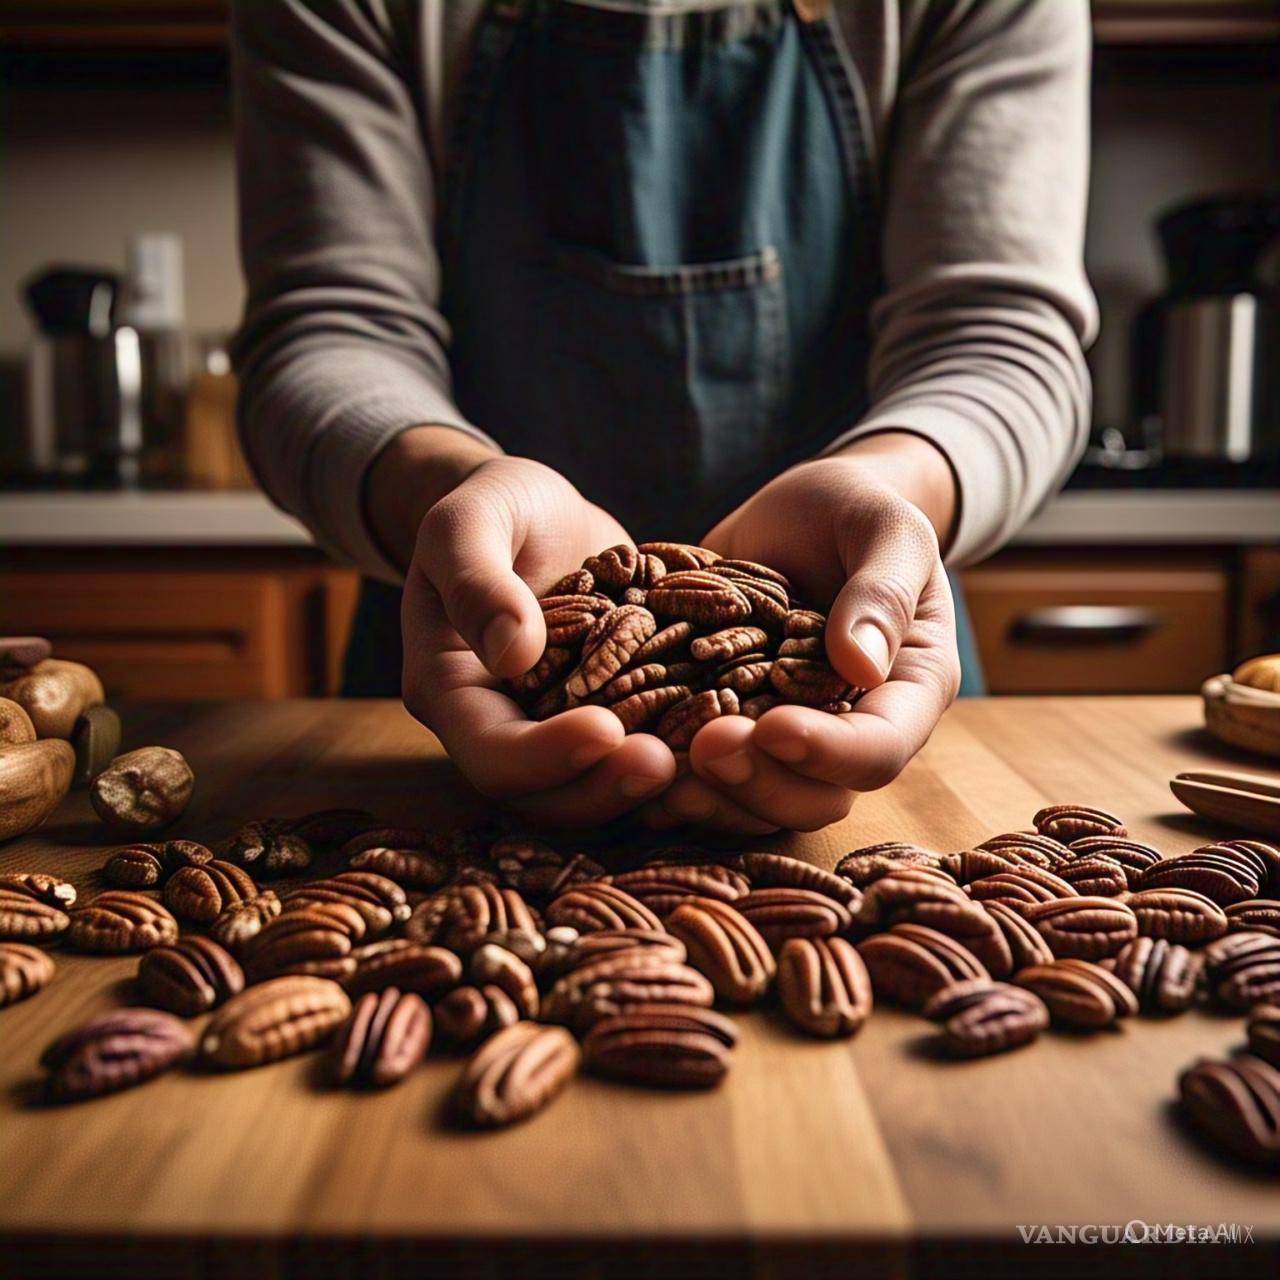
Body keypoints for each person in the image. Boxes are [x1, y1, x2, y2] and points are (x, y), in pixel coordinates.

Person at [230, 0, 1095, 833]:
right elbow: (327, 330)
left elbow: (1001, 338)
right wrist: (453, 493)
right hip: (465, 662)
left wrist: (883, 494)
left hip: (861, 660)